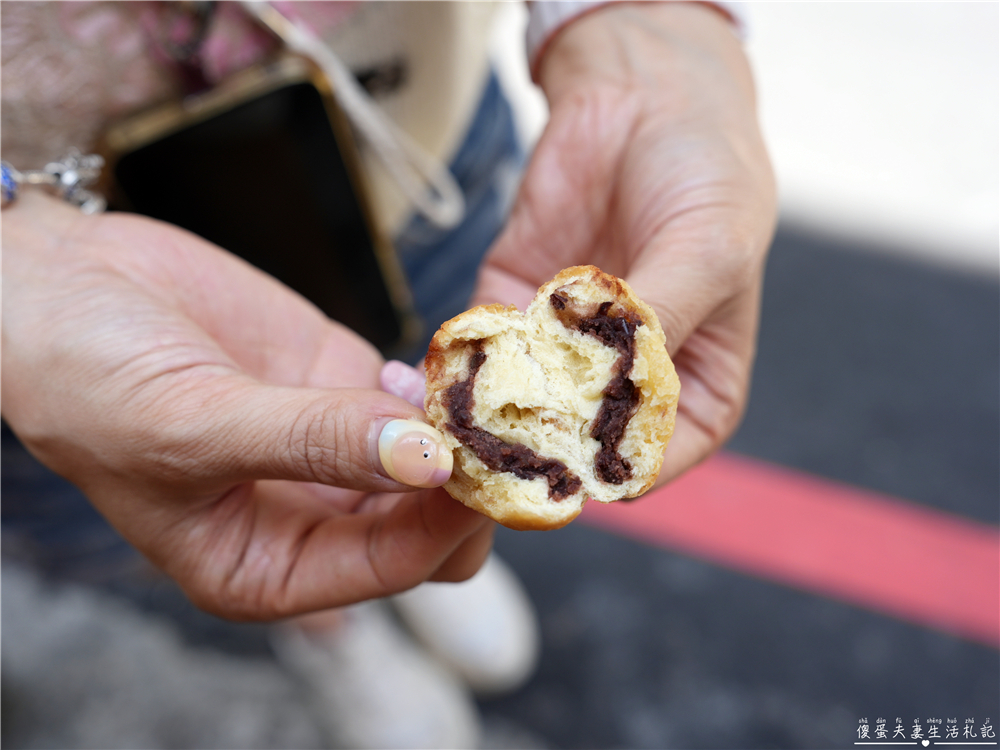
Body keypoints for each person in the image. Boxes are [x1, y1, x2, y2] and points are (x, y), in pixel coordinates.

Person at [2, 1, 777, 747]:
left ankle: (431, 556)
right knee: (188, 499)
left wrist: (644, 29)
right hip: (48, 305)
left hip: (410, 152)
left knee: (421, 407)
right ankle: (327, 627)